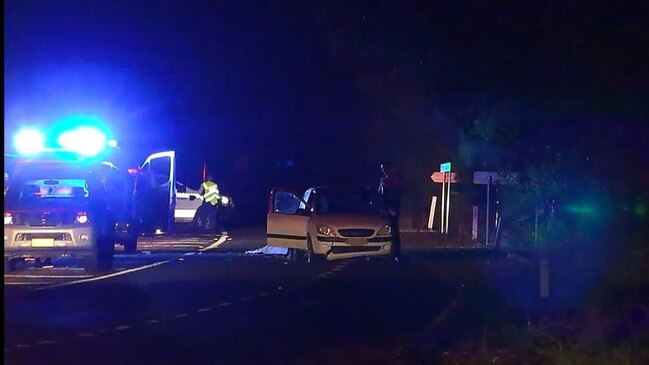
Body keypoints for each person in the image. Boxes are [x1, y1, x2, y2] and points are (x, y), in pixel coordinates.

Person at [379, 162, 403, 261]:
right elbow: (380, 195)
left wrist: (393, 209)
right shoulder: (384, 180)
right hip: (385, 210)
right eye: (382, 168)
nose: (383, 170)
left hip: (392, 209)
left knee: (394, 232)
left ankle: (396, 253)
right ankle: (384, 251)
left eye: (384, 168)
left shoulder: (394, 180)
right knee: (384, 231)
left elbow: (396, 196)